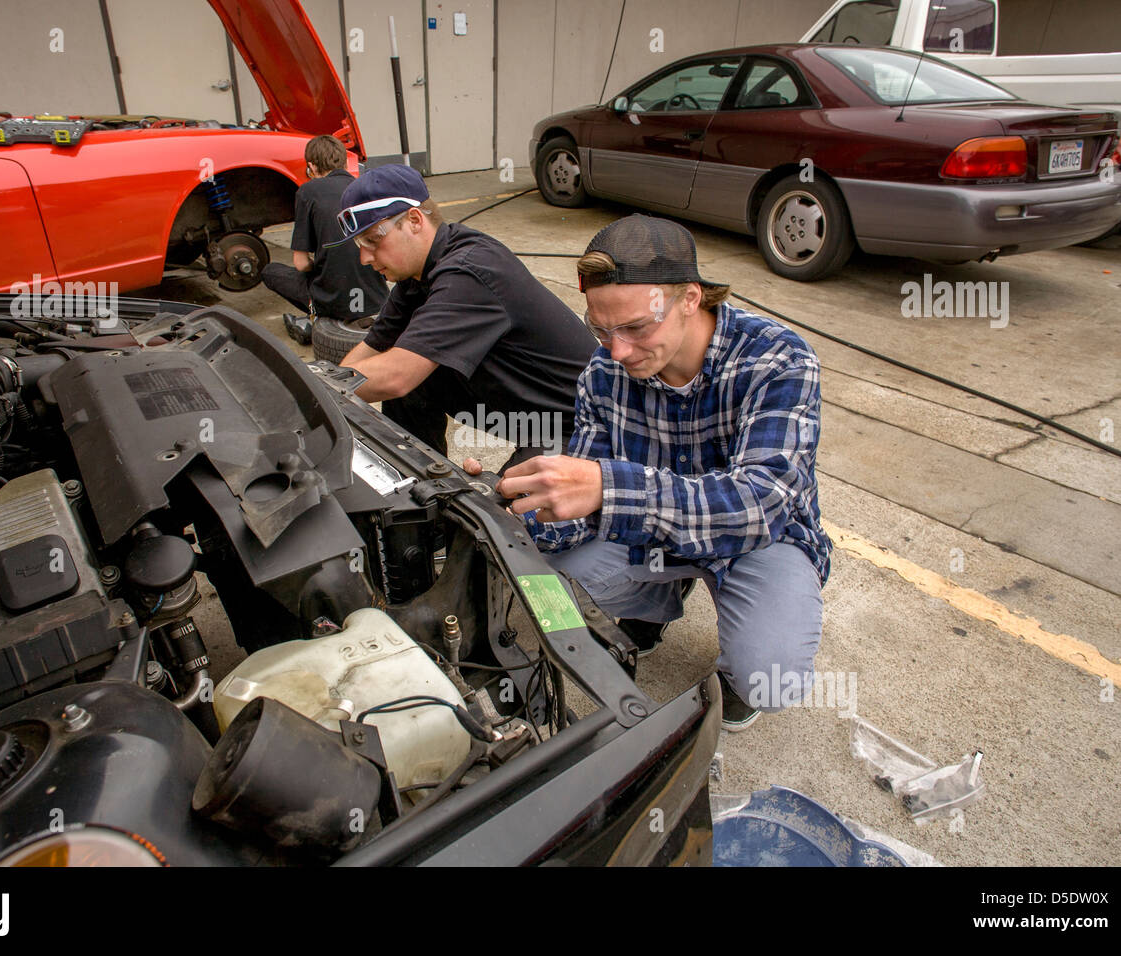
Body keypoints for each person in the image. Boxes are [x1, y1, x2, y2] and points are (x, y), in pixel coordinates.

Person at [479, 214, 832, 732]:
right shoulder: (603, 372)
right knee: (551, 584)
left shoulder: (777, 359)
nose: (618, 351)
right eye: (600, 330)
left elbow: (761, 503)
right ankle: (659, 597)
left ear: (691, 298)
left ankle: (740, 675)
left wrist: (606, 487)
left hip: (759, 541)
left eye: (636, 328)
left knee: (770, 677)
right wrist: (517, 502)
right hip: (648, 530)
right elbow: (583, 502)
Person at [333, 164, 596, 470]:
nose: (364, 258)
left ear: (414, 220)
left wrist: (323, 390)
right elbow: (362, 362)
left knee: (505, 510)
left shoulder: (470, 270)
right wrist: (328, 387)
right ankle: (419, 478)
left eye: (372, 240)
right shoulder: (414, 277)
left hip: (577, 423)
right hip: (527, 412)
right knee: (410, 372)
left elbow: (395, 376)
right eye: (358, 245)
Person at [261, 135, 388, 337]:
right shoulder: (367, 187)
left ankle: (316, 315)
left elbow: (301, 263)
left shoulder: (308, 191)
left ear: (311, 167)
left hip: (332, 303)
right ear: (346, 162)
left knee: (270, 271)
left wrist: (321, 267)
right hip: (376, 299)